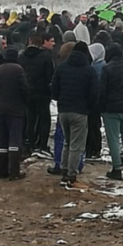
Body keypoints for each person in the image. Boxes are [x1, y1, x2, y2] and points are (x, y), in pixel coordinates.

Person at [51, 41, 99, 188]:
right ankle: (71, 174)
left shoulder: (61, 68)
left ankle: (64, 169)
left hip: (63, 111)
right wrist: (88, 108)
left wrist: (61, 101)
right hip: (80, 111)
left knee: (67, 142)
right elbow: (94, 93)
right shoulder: (89, 71)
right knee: (76, 145)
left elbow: (54, 89)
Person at [99, 43, 123, 181]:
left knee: (114, 139)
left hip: (111, 109)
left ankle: (116, 169)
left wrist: (101, 107)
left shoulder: (106, 69)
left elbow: (102, 90)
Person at [0, 48, 30, 181]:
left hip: (1, 108)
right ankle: (14, 172)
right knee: (15, 140)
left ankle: (1, 171)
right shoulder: (18, 69)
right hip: (16, 109)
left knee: (2, 141)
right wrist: (26, 100)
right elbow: (24, 88)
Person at [19, 33, 56, 155]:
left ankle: (31, 142)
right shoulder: (46, 57)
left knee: (31, 119)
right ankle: (42, 145)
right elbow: (49, 76)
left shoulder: (22, 56)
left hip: (27, 92)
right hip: (42, 93)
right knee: (45, 119)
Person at [86, 43, 107, 160]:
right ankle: (96, 149)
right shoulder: (103, 65)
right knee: (95, 125)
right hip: (99, 102)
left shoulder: (95, 68)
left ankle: (92, 148)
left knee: (91, 125)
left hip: (93, 101)